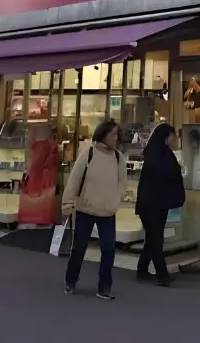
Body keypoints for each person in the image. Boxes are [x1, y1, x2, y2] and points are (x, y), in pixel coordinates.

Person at [62, 118, 127, 300]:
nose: (115, 139)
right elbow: (75, 179)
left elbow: (122, 183)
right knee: (79, 248)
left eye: (117, 135)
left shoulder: (118, 158)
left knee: (109, 249)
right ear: (103, 134)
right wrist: (67, 203)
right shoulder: (88, 153)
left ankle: (104, 287)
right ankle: (70, 281)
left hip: (107, 211)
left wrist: (116, 199)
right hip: (86, 209)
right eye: (113, 135)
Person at [133, 123, 184, 287]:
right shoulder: (156, 155)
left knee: (153, 238)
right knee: (156, 239)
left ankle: (142, 269)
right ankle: (162, 275)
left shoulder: (160, 153)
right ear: (166, 136)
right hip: (151, 204)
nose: (174, 139)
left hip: (157, 203)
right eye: (172, 135)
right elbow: (166, 174)